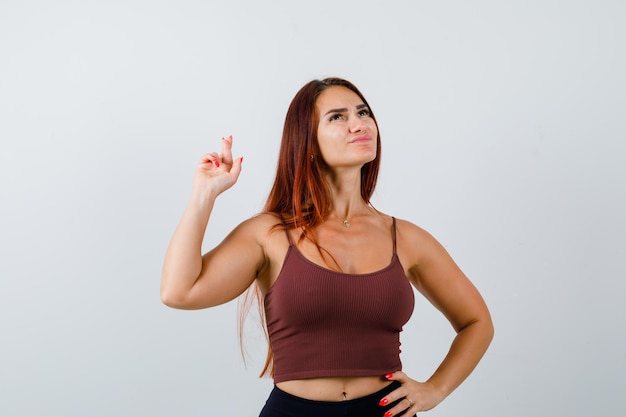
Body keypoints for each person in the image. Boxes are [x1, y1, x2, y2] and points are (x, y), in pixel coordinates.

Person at [160, 77, 494, 417]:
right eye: (337, 117)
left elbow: (477, 321)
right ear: (308, 141)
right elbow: (179, 291)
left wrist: (436, 389)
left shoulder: (406, 238)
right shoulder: (270, 234)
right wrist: (204, 195)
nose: (359, 124)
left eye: (363, 113)